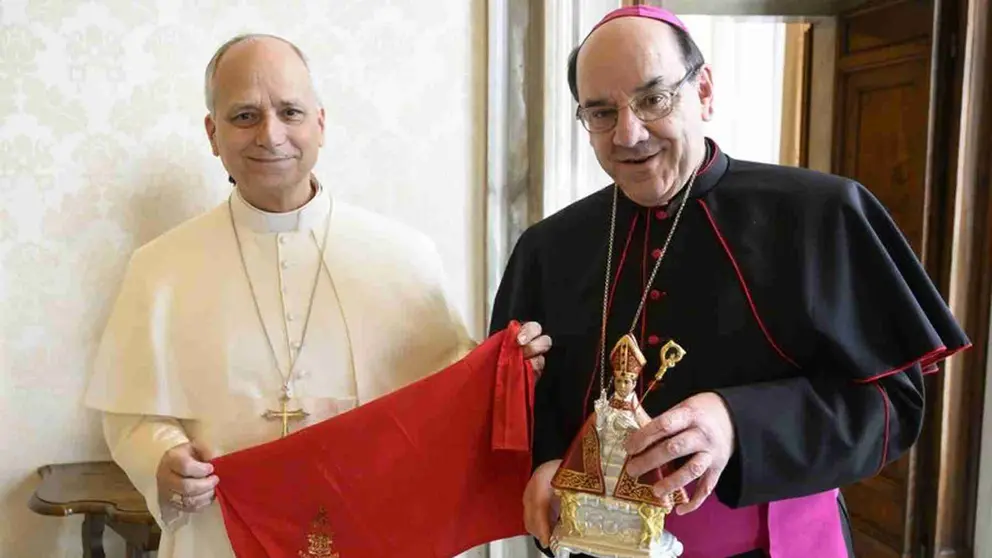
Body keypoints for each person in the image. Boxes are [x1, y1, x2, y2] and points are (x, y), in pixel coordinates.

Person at [489, 6, 971, 558]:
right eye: (601, 113)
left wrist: (736, 423)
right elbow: (523, 403)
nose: (629, 133)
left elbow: (893, 405)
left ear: (705, 93)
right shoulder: (547, 248)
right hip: (597, 546)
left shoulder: (820, 214)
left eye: (653, 99)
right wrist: (549, 461)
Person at [84, 33, 551, 557]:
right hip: (221, 536)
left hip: (374, 531)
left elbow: (453, 389)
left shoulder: (402, 254)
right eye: (244, 116)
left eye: (290, 112)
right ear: (213, 134)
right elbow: (131, 415)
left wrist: (512, 369)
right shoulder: (160, 267)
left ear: (321, 125)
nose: (271, 134)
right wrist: (164, 463)